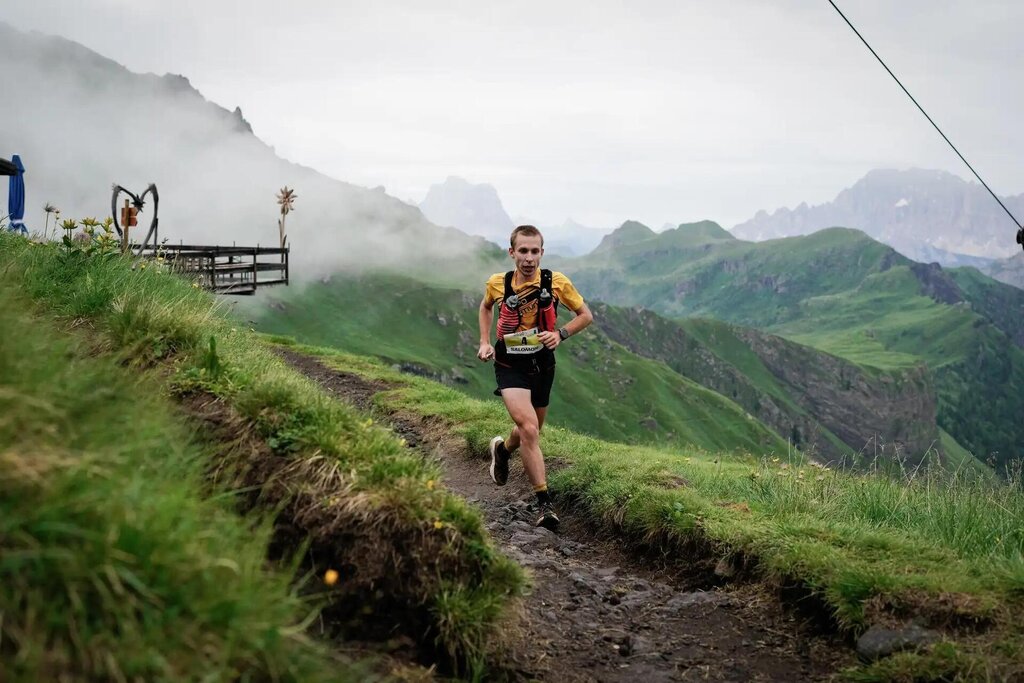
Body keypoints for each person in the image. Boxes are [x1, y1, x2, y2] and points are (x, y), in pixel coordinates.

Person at [477, 225, 593, 529]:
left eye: (534, 251)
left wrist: (561, 334)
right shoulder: (497, 283)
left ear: (542, 252)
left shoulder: (556, 282)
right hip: (508, 362)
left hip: (542, 362)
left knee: (532, 430)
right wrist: (485, 341)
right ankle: (545, 505)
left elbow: (586, 315)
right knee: (528, 427)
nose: (529, 258)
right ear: (512, 252)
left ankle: (502, 451)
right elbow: (486, 307)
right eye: (523, 251)